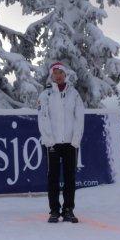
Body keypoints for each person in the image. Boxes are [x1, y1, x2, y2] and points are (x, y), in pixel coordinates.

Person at [37, 62, 85, 223]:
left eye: (60, 73)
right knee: (53, 178)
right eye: (55, 73)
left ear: (65, 75)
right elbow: (43, 118)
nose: (57, 76)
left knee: (70, 177)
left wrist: (75, 140)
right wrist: (49, 140)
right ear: (51, 76)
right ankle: (54, 211)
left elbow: (79, 118)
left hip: (70, 144)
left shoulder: (74, 94)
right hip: (53, 144)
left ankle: (68, 209)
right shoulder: (46, 95)